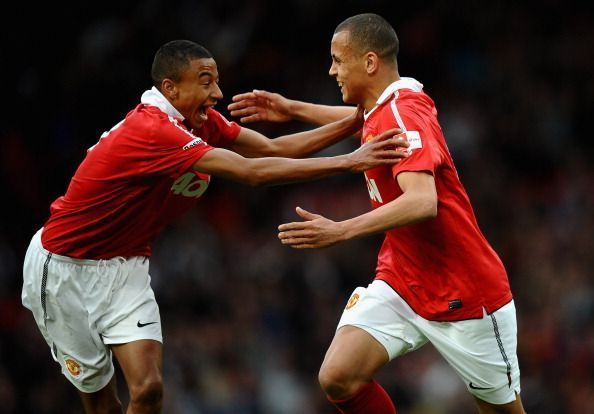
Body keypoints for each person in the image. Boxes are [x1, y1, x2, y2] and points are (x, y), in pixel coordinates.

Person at [21, 39, 410, 414]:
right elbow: (252, 172)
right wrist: (350, 160)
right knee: (102, 404)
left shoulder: (197, 124)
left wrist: (362, 119)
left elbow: (273, 149)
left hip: (127, 267)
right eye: (206, 82)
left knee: (149, 389)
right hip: (66, 268)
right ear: (170, 88)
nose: (218, 93)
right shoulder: (153, 130)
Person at [228, 13, 525, 414]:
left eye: (338, 59)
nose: (331, 70)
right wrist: (292, 107)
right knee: (338, 376)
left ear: (369, 62)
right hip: (403, 279)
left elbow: (423, 201)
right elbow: (361, 123)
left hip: (465, 295)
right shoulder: (387, 107)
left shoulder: (404, 113)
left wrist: (341, 231)